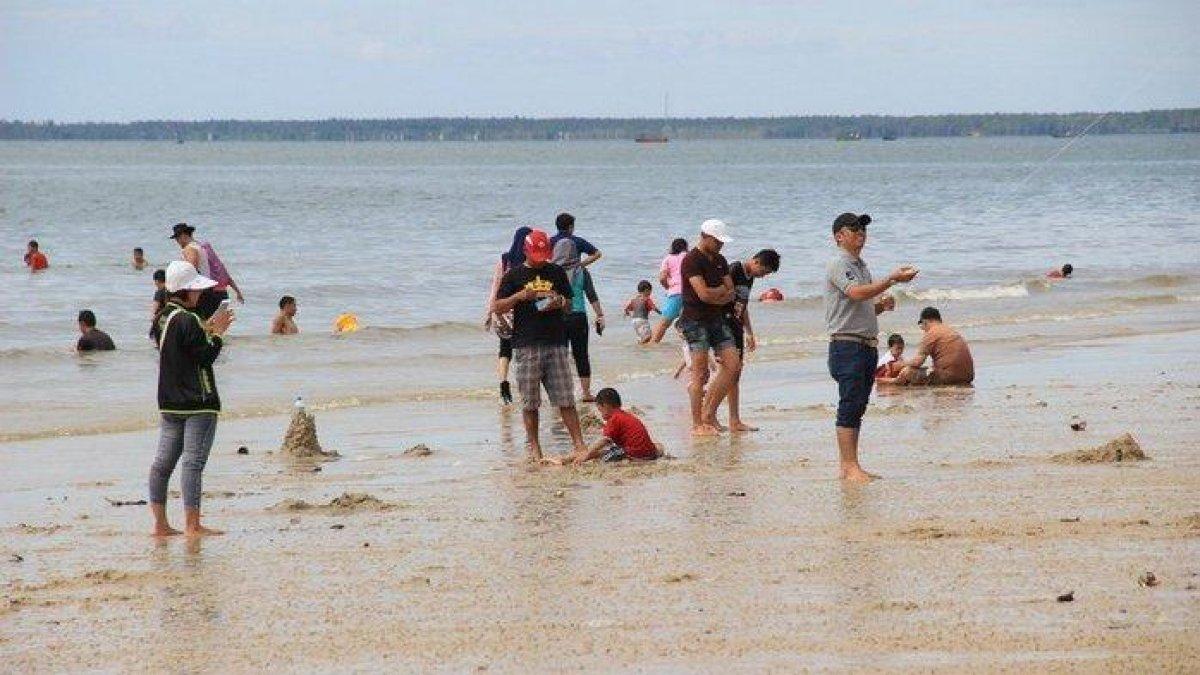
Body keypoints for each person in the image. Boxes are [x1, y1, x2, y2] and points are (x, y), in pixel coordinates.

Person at [824, 212, 918, 482]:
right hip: (846, 346)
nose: (861, 234)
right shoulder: (839, 263)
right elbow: (855, 293)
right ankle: (848, 466)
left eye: (862, 230)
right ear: (839, 236)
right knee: (850, 404)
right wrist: (890, 280)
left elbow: (858, 305)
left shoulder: (861, 266)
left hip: (865, 345)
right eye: (854, 229)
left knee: (858, 405)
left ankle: (851, 465)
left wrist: (880, 306)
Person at [147, 261, 234, 537]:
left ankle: (160, 525)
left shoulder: (162, 318)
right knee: (193, 464)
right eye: (195, 290)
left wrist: (205, 329)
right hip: (198, 401)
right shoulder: (189, 319)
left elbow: (182, 347)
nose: (199, 294)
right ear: (185, 291)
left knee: (162, 465)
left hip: (169, 401)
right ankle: (193, 525)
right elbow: (205, 356)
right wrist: (217, 334)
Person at [493, 229, 588, 461]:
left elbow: (570, 303)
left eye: (543, 255)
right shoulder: (514, 275)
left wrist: (559, 301)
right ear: (525, 251)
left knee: (565, 398)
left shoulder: (556, 271)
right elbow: (498, 307)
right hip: (526, 344)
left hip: (556, 341)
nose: (540, 260)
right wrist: (519, 297)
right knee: (530, 402)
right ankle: (535, 450)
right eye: (536, 255)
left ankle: (579, 445)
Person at [678, 219, 741, 436]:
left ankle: (709, 413)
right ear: (704, 237)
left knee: (733, 365)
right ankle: (697, 424)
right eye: (717, 241)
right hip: (695, 321)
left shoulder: (720, 260)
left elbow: (731, 291)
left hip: (716, 318)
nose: (720, 245)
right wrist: (719, 292)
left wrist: (717, 295)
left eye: (722, 242)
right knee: (700, 374)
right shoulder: (691, 260)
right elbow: (702, 294)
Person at [713, 249, 781, 432]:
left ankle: (734, 420)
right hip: (723, 325)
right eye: (764, 271)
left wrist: (749, 332)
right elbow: (718, 295)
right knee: (727, 371)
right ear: (756, 261)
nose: (763, 276)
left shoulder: (750, 278)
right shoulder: (735, 269)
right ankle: (710, 416)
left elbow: (742, 307)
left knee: (735, 374)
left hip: (736, 326)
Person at [546, 388, 663, 465]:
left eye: (600, 410)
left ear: (605, 406)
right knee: (657, 446)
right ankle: (565, 459)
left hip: (634, 455)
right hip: (650, 452)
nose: (601, 415)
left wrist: (587, 455)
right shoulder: (625, 415)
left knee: (598, 454)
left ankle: (563, 460)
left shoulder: (614, 419)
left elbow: (604, 441)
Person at [552, 238, 606, 402]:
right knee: (581, 355)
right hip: (578, 317)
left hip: (558, 318)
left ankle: (560, 392)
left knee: (559, 356)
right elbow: (591, 295)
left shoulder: (552, 272)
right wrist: (599, 315)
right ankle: (586, 393)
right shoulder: (582, 271)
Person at [485, 226, 533, 405]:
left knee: (504, 350)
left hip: (503, 311)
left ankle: (503, 383)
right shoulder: (530, 261)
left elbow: (495, 288)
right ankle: (524, 386)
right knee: (524, 349)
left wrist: (490, 312)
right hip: (524, 312)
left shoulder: (504, 260)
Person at [169, 222, 245, 319]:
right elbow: (221, 268)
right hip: (219, 292)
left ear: (183, 235)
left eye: (177, 238)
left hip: (205, 294)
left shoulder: (190, 249)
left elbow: (191, 272)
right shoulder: (202, 247)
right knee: (214, 326)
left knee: (200, 323)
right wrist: (236, 290)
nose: (177, 242)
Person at [889, 307, 975, 386]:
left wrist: (899, 365)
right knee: (930, 369)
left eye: (921, 325)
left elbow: (918, 362)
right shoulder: (950, 331)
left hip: (949, 377)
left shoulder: (931, 333)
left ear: (925, 321)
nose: (923, 330)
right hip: (968, 376)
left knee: (907, 372)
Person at [650, 238, 690, 343]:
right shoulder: (689, 256)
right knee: (691, 321)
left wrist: (668, 287)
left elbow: (662, 278)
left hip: (675, 293)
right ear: (685, 247)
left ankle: (652, 345)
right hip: (691, 293)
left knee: (664, 323)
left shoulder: (668, 259)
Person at [149, 269, 168, 339]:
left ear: (157, 281)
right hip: (171, 319)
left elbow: (154, 310)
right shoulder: (172, 290)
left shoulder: (159, 292)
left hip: (161, 321)